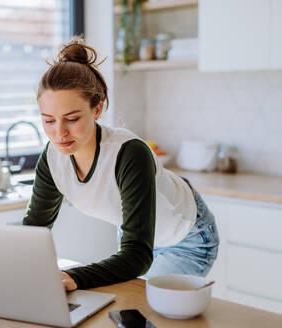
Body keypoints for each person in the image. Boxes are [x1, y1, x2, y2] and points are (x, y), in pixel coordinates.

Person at [22, 38, 219, 291]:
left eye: (72, 119)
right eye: (49, 120)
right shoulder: (52, 158)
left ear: (97, 109)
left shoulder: (129, 153)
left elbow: (138, 255)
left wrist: (76, 277)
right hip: (135, 239)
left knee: (145, 308)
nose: (60, 133)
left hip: (186, 238)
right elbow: (36, 227)